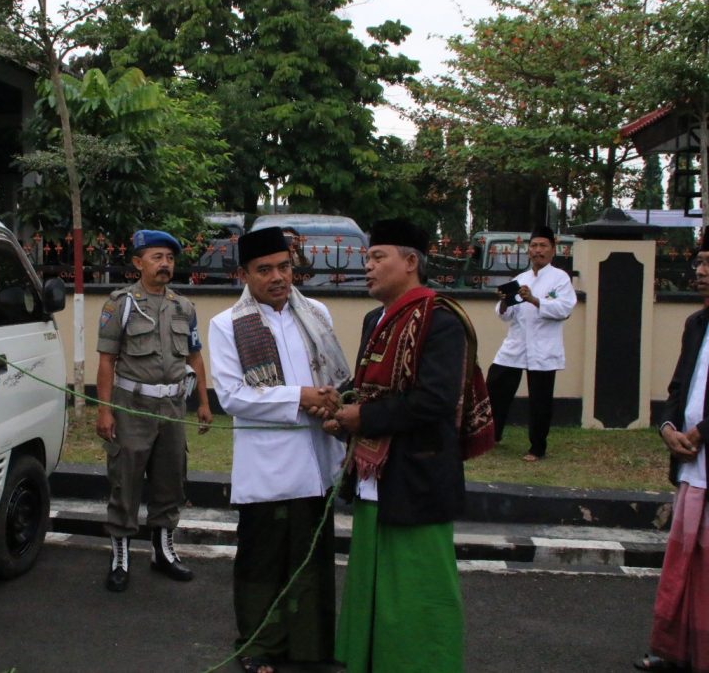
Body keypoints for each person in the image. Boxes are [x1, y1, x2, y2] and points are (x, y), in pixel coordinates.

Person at [325, 218, 493, 673]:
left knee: (419, 589)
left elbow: (436, 399)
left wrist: (366, 417)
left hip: (416, 475)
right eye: (367, 257)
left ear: (411, 262)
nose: (369, 266)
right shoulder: (373, 318)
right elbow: (365, 386)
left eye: (379, 257)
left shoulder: (441, 319)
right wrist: (338, 403)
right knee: (371, 581)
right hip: (372, 473)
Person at [207, 226, 350, 673]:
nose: (277, 277)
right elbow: (231, 397)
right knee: (263, 560)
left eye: (284, 266)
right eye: (264, 269)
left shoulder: (317, 312)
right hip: (267, 464)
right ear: (243, 275)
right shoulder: (228, 324)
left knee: (312, 557)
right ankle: (257, 647)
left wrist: (331, 400)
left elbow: (335, 375)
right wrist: (300, 398)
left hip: (316, 456)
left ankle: (310, 646)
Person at [95, 229, 213, 593]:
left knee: (170, 479)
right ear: (137, 263)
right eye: (157, 257)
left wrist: (205, 403)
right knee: (126, 480)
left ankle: (163, 552)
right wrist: (104, 411)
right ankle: (120, 556)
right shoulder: (120, 304)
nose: (165, 265)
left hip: (172, 408)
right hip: (131, 406)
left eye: (170, 259)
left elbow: (194, 357)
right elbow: (106, 361)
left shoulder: (184, 307)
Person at [634, 234, 709, 672]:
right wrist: (667, 427)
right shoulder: (696, 323)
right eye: (699, 262)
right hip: (691, 464)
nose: (699, 271)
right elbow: (678, 388)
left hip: (700, 449)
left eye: (707, 264)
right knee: (686, 563)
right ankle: (678, 650)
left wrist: (702, 432)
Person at [486, 224, 577, 461]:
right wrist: (505, 302)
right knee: (495, 387)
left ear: (552, 250)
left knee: (540, 399)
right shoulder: (520, 278)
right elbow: (505, 314)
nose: (538, 250)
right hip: (515, 344)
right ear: (529, 250)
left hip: (543, 347)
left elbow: (564, 309)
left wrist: (535, 300)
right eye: (534, 246)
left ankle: (537, 447)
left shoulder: (560, 279)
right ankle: (490, 436)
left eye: (543, 246)